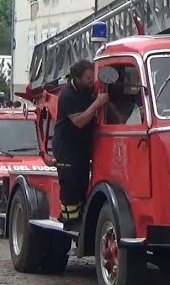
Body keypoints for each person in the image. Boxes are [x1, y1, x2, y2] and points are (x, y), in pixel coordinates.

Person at [53, 59, 108, 229]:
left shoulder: (87, 90)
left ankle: (78, 219)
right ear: (77, 78)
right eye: (88, 78)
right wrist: (98, 104)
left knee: (82, 183)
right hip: (67, 148)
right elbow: (79, 121)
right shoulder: (68, 95)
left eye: (93, 77)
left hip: (82, 147)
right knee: (71, 186)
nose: (91, 81)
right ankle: (69, 222)